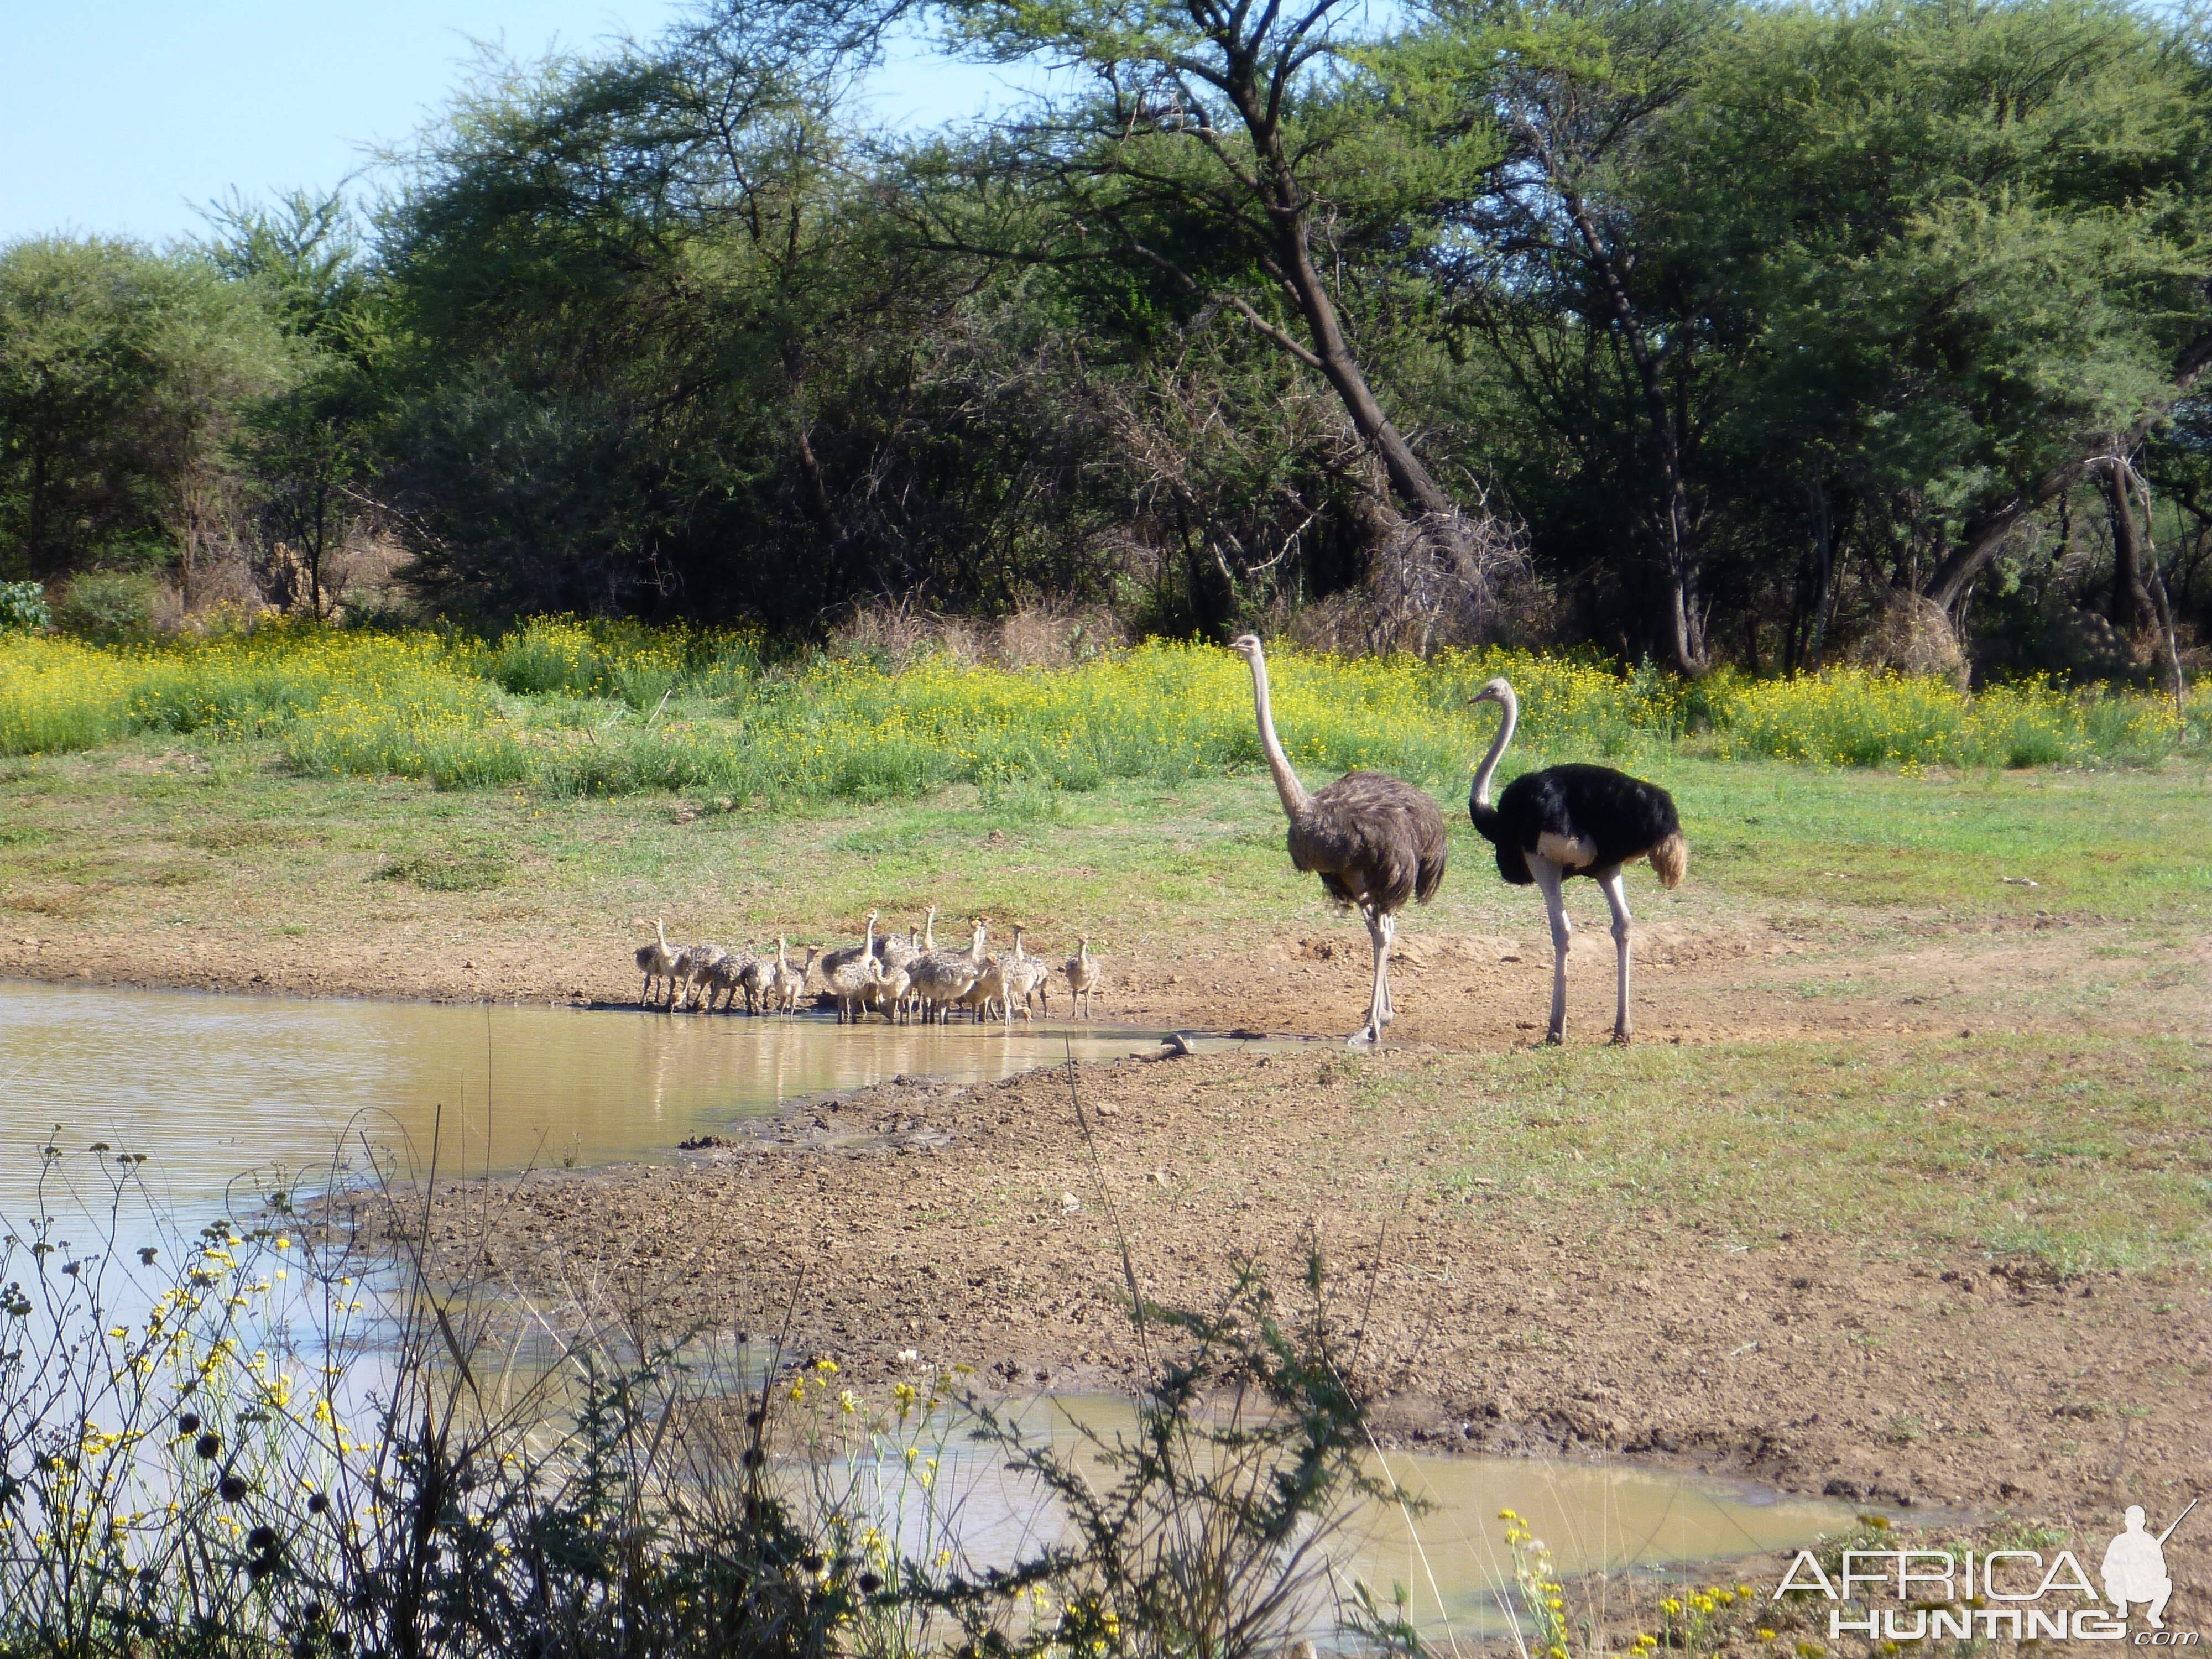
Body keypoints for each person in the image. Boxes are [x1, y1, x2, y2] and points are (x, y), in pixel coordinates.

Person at [2102, 1506, 2173, 1629]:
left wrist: (2147, 1567)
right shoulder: (2119, 1541)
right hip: (2123, 1589)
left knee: (2166, 1583)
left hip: (2145, 1588)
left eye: (2138, 1520)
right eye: (2132, 1520)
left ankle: (2154, 1615)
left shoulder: (2151, 1542)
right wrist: (2122, 1568)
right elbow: (2106, 1569)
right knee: (2111, 1582)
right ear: (2126, 1522)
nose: (2135, 1524)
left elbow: (2162, 1571)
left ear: (2144, 1522)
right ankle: (2122, 1606)